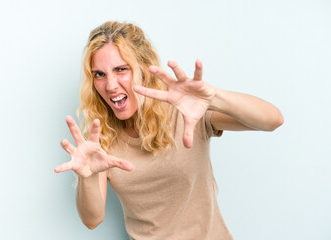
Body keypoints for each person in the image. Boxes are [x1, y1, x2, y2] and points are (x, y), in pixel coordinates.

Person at [54, 21, 284, 239]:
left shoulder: (187, 110)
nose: (111, 85)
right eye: (99, 74)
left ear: (143, 69)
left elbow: (272, 119)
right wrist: (88, 175)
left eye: (121, 69)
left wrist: (213, 97)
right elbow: (92, 219)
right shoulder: (100, 137)